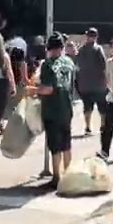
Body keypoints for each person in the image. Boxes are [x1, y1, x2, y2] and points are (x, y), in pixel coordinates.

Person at [35, 34, 77, 189]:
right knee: (66, 143)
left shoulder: (48, 64)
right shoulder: (69, 62)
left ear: (48, 48)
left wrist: (33, 91)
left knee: (55, 145)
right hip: (67, 107)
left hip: (52, 109)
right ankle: (69, 175)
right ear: (62, 47)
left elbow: (47, 89)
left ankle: (57, 177)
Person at [74, 28, 108, 134]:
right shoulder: (98, 49)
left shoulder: (81, 49)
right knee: (102, 106)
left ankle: (88, 127)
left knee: (87, 107)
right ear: (96, 37)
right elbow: (104, 65)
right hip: (98, 84)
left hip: (85, 84)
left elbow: (77, 65)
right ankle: (102, 126)